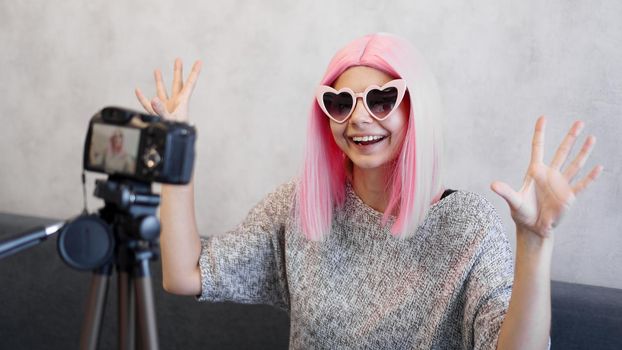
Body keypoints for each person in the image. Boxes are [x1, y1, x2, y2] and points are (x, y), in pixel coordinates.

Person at [135, 33, 603, 349]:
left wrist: (535, 241)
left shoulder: (468, 227)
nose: (359, 118)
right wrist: (175, 151)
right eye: (340, 103)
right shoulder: (303, 208)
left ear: (414, 111)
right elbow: (184, 274)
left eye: (382, 100)